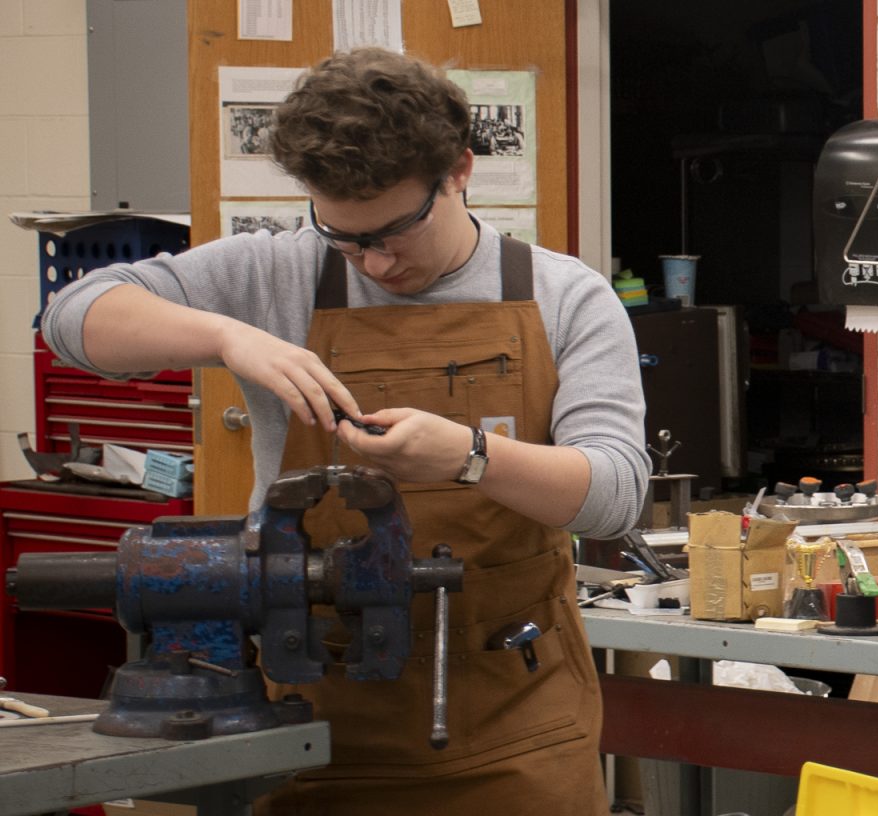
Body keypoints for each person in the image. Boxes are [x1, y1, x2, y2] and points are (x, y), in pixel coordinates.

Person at [41, 47, 650, 815]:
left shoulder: (566, 297)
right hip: (316, 719)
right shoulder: (277, 275)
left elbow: (614, 495)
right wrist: (229, 339)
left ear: (459, 170)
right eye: (345, 237)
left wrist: (468, 456)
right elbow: (72, 317)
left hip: (517, 718)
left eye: (395, 231)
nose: (375, 261)